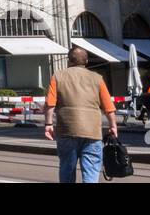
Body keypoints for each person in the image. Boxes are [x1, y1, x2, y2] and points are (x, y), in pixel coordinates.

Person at [44, 45, 119, 183]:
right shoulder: (97, 78)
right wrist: (113, 126)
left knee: (67, 169)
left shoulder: (58, 76)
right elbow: (109, 107)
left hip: (66, 131)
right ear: (86, 61)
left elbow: (50, 104)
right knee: (91, 171)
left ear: (69, 61)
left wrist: (48, 124)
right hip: (92, 132)